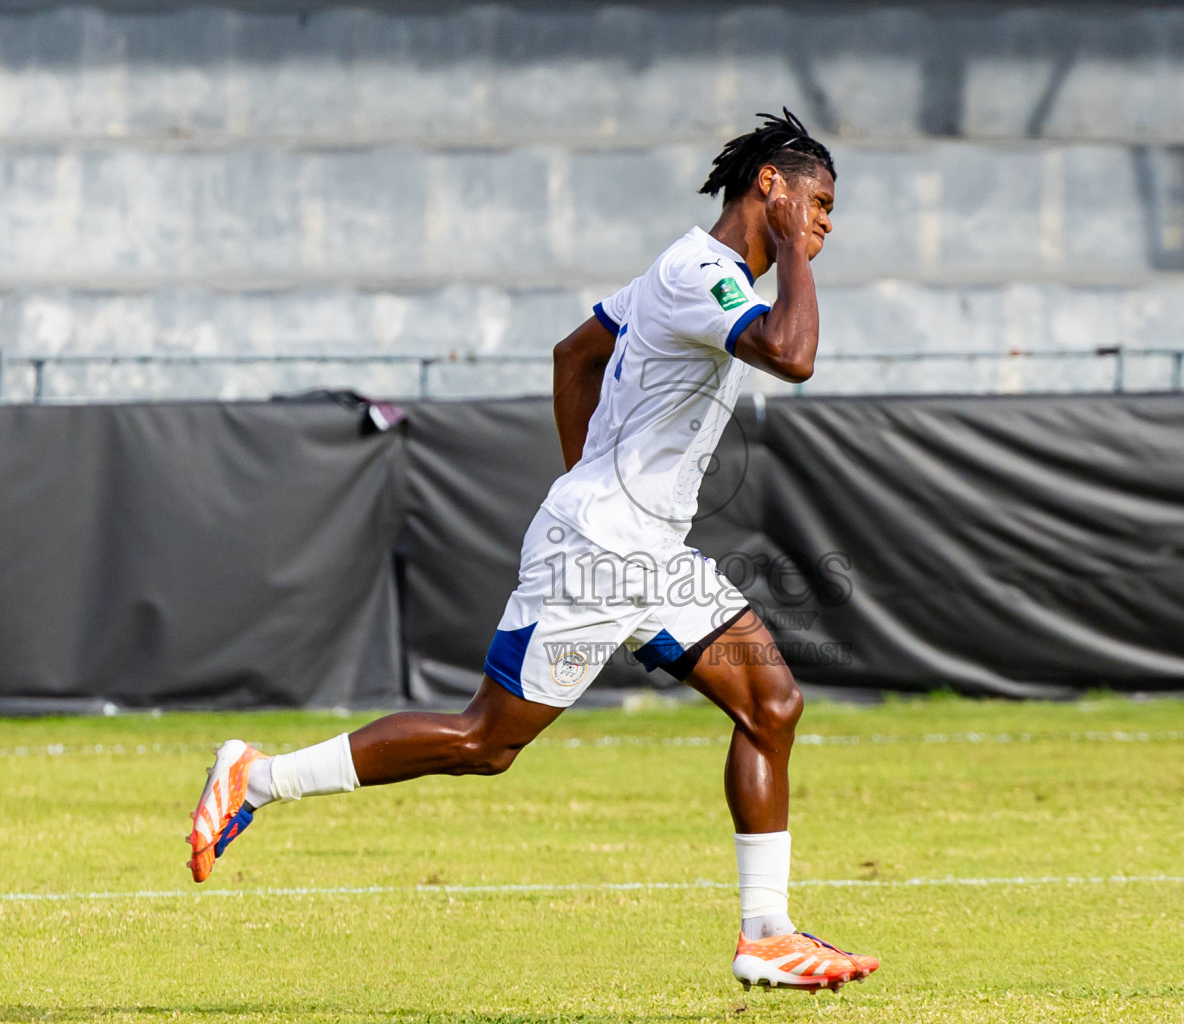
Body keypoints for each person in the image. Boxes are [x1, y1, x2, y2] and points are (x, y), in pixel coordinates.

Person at [185, 110, 879, 993]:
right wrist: (793, 258)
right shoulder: (702, 273)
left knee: (771, 704)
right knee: (485, 742)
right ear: (770, 186)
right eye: (817, 201)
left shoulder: (694, 274)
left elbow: (573, 354)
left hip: (647, 549)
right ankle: (256, 779)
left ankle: (767, 934)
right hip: (602, 545)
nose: (824, 223)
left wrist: (590, 476)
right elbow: (793, 354)